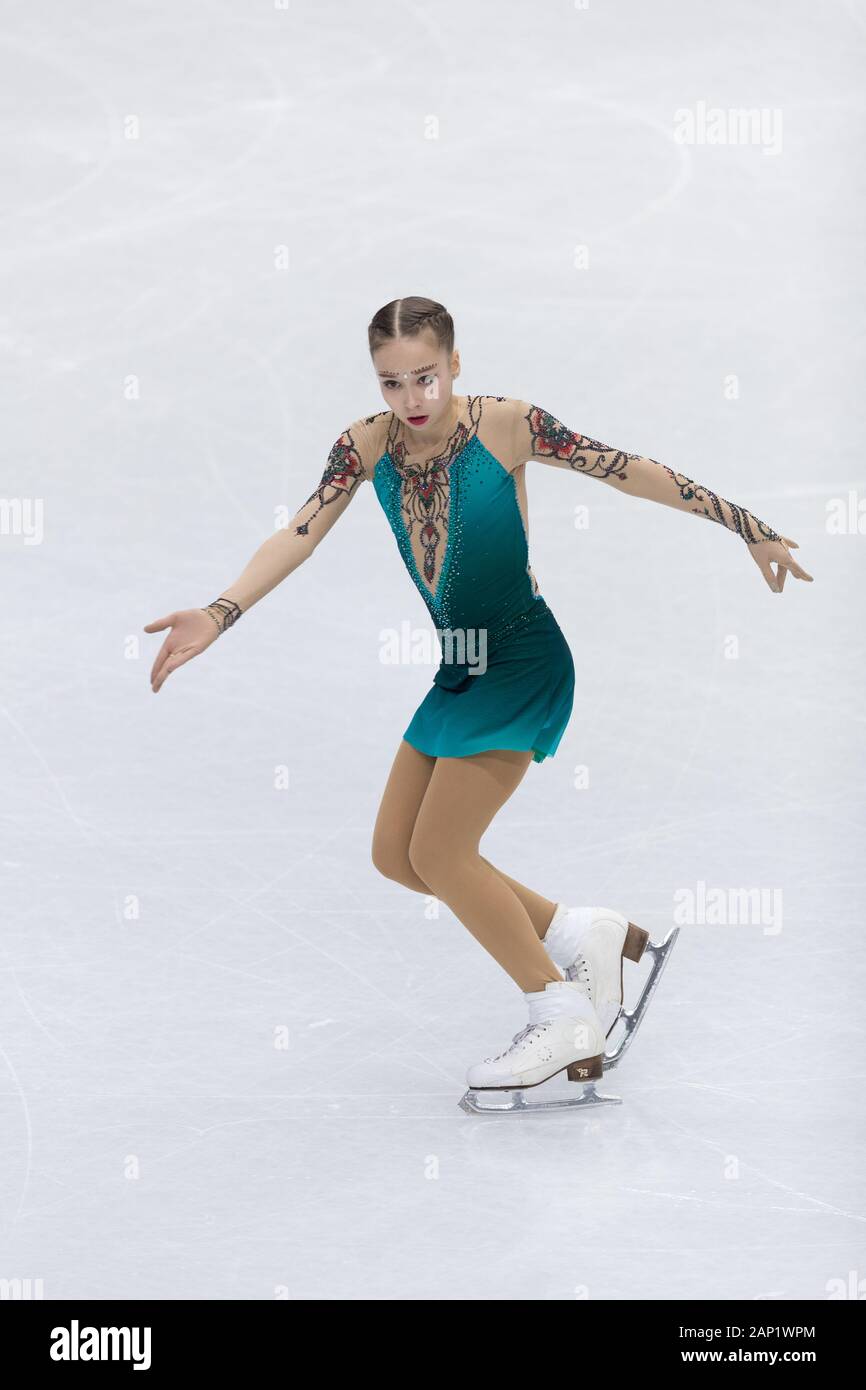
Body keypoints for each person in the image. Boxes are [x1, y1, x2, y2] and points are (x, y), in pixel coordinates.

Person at [145, 295, 813, 1095]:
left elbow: (630, 470)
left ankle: (558, 1014)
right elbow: (299, 532)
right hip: (459, 667)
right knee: (398, 854)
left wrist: (746, 525)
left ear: (455, 365)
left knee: (441, 852)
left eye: (426, 376)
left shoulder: (509, 425)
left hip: (525, 660)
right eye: (393, 383)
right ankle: (584, 934)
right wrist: (221, 612)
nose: (412, 399)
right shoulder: (364, 446)